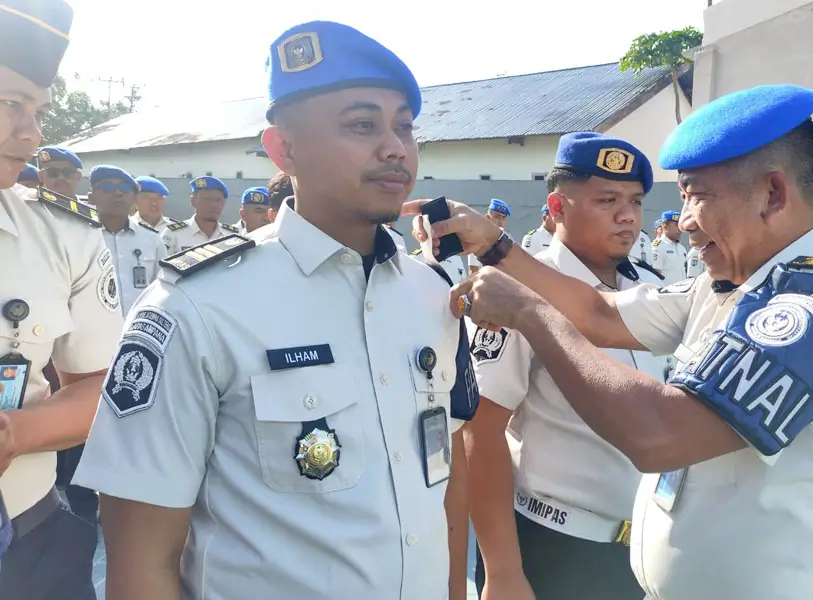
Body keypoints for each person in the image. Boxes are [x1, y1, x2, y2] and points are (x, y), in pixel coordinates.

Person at [410, 83, 813, 600]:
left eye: (698, 194)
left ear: (773, 194)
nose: (686, 221)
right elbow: (596, 311)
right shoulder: (737, 285)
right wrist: (494, 246)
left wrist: (529, 313)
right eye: (683, 197)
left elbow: (661, 436)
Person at [73, 20, 477, 600]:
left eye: (404, 127)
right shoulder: (196, 306)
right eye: (362, 125)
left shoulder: (430, 295)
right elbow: (141, 559)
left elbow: (446, 469)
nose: (394, 147)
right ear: (283, 149)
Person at [468, 132, 661, 600]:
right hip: (557, 548)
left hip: (641, 548)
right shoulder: (516, 293)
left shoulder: (648, 288)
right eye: (607, 199)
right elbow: (480, 433)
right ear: (556, 207)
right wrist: (503, 572)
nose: (627, 215)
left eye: (635, 200)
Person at [0, 1, 125, 597]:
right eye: (8, 105)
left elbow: (100, 385)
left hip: (27, 541)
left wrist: (16, 433)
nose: (31, 133)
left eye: (38, 111)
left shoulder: (62, 234)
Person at [90, 165, 167, 313]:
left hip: (138, 329)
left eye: (125, 188)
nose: (118, 193)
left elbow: (163, 288)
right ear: (91, 197)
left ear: (134, 198)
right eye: (107, 187)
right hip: (93, 330)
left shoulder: (151, 239)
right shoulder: (81, 236)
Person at [160, 176, 239, 254]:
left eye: (218, 200)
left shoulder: (233, 236)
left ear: (223, 204)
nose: (213, 205)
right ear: (193, 201)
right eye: (207, 199)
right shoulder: (174, 234)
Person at [468, 199, 511, 274]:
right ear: (488, 218)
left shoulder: (509, 241)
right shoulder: (477, 240)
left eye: (503, 217)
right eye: (497, 217)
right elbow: (473, 271)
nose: (500, 222)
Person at [650, 210, 686, 282]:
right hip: (666, 292)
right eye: (676, 226)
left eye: (680, 225)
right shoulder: (658, 247)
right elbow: (655, 275)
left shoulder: (681, 248)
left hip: (681, 291)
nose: (680, 229)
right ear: (665, 227)